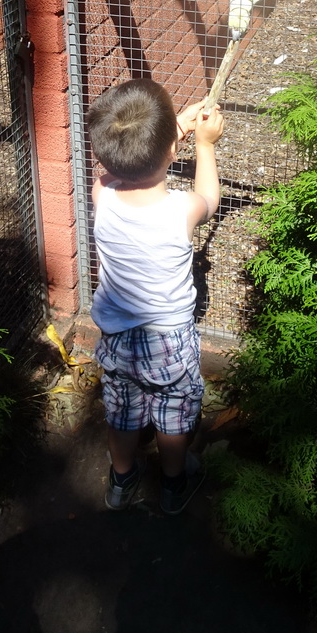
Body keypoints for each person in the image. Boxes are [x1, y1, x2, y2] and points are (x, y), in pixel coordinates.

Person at [86, 78, 224, 515]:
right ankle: (172, 485)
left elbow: (120, 164)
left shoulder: (101, 194)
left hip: (116, 338)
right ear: (171, 153)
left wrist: (174, 131)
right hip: (169, 341)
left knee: (122, 413)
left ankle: (122, 481)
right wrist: (204, 144)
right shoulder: (181, 211)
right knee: (173, 416)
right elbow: (210, 197)